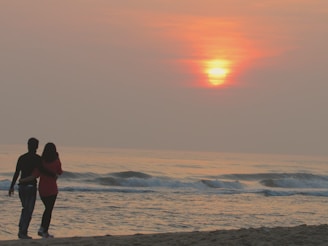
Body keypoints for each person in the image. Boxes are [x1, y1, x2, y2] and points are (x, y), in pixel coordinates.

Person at [9, 138, 55, 239]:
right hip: (31, 187)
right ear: (37, 147)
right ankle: (23, 232)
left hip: (21, 188)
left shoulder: (22, 157)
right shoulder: (37, 159)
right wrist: (53, 175)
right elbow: (42, 170)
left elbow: (17, 173)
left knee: (25, 209)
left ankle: (21, 230)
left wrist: (11, 186)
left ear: (28, 145)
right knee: (28, 210)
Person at [20, 142, 63, 238]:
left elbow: (35, 175)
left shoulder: (41, 162)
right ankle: (43, 230)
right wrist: (58, 158)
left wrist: (22, 180)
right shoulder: (56, 161)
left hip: (42, 189)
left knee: (47, 209)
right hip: (52, 189)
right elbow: (59, 172)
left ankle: (43, 230)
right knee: (48, 210)